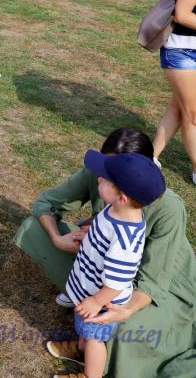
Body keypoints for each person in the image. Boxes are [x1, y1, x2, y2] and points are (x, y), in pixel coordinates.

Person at [13, 128, 196, 378]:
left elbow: (153, 281)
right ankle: (85, 346)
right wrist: (59, 239)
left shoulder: (169, 208)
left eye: (110, 173)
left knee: (122, 326)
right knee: (34, 230)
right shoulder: (101, 172)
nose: (101, 176)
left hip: (157, 285)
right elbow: (46, 203)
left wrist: (126, 309)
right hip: (103, 267)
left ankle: (92, 369)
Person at [59, 150, 165, 378]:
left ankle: (91, 374)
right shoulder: (116, 210)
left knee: (95, 339)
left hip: (102, 302)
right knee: (86, 330)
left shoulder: (124, 242)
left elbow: (116, 283)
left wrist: (96, 301)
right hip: (89, 292)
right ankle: (80, 350)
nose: (99, 178)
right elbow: (104, 234)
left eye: (105, 179)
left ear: (122, 197)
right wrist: (91, 238)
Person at [153, 0, 196, 185]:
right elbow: (182, 14)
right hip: (182, 50)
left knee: (179, 107)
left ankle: (150, 157)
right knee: (193, 113)